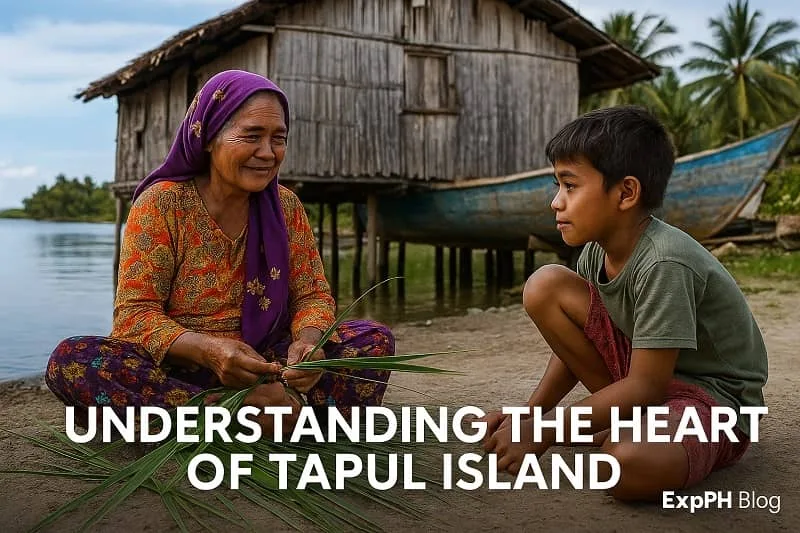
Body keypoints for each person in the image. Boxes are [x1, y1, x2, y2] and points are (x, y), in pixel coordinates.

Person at [46, 70, 394, 432]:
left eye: (278, 138)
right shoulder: (162, 204)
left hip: (266, 364)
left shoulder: (286, 207)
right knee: (72, 360)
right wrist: (209, 351)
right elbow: (135, 315)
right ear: (208, 137)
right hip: (182, 367)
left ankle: (252, 413)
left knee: (373, 340)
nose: (267, 153)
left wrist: (308, 346)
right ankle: (247, 413)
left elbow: (311, 295)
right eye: (252, 136)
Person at [480, 106, 768, 500]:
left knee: (623, 464)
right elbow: (582, 342)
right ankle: (624, 421)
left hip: (710, 400)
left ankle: (632, 429)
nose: (556, 203)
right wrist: (528, 416)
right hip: (647, 380)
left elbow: (647, 385)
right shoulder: (595, 253)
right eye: (557, 186)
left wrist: (546, 430)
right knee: (544, 285)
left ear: (626, 193)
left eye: (570, 186)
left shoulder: (664, 261)